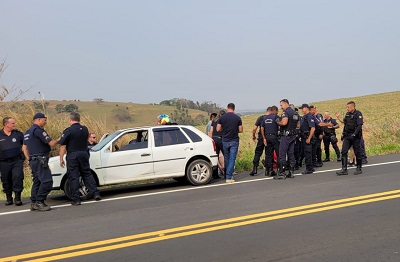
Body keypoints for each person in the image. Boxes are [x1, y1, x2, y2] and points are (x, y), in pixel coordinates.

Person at [59, 112, 101, 205]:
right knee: (87, 174)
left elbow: (62, 146)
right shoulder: (85, 129)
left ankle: (76, 199)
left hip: (73, 155)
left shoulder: (68, 131)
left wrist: (61, 158)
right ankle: (95, 193)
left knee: (73, 176)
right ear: (79, 119)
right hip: (84, 154)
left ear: (70, 120)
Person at [23, 113, 59, 211]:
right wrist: (62, 138)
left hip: (33, 160)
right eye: (44, 120)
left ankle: (34, 202)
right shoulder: (38, 131)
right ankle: (40, 201)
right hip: (40, 159)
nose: (46, 122)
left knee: (37, 181)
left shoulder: (27, 132)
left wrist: (29, 159)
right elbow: (51, 143)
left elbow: (24, 148)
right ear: (38, 119)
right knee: (47, 181)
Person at [0, 117, 26, 206]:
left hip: (17, 161)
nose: (14, 125)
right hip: (3, 162)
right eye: (12, 123)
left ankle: (17, 198)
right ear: (6, 124)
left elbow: (26, 145)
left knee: (17, 177)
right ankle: (9, 198)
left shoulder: (18, 134)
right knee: (6, 180)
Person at [217, 103, 243, 183]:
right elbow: (241, 130)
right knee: (232, 158)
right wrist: (234, 130)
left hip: (225, 140)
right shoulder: (237, 118)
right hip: (234, 140)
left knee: (227, 158)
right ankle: (229, 176)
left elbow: (218, 129)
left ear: (227, 108)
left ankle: (226, 175)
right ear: (234, 109)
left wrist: (224, 130)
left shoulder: (222, 118)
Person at [336, 101, 364, 175]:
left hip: (355, 137)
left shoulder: (358, 114)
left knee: (357, 152)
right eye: (346, 107)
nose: (347, 108)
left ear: (353, 107)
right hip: (347, 136)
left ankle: (359, 168)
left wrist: (354, 134)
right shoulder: (347, 114)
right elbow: (344, 123)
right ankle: (344, 169)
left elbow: (359, 126)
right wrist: (338, 117)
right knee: (344, 151)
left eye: (348, 107)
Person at [275, 99, 299, 179]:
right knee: (291, 153)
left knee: (282, 153)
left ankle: (282, 172)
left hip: (286, 136)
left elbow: (284, 123)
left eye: (281, 105)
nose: (281, 107)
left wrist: (278, 121)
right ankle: (291, 172)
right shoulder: (295, 113)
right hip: (293, 135)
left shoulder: (286, 113)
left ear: (286, 104)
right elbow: (298, 125)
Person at [261, 106, 280, 176]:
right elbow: (280, 125)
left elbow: (262, 128)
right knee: (279, 153)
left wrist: (264, 138)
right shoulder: (276, 117)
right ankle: (279, 169)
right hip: (275, 137)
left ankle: (268, 170)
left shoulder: (265, 118)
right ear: (275, 110)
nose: (277, 113)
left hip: (267, 137)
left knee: (268, 154)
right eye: (277, 111)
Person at [249, 109, 268, 176]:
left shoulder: (260, 118)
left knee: (258, 153)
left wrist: (253, 136)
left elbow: (254, 128)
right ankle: (268, 169)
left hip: (260, 138)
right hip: (269, 137)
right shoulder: (273, 117)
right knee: (268, 153)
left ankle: (255, 168)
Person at [299, 104, 316, 174]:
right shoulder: (304, 117)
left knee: (308, 153)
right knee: (306, 153)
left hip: (307, 137)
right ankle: (310, 167)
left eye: (302, 108)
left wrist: (309, 138)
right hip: (303, 137)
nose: (302, 110)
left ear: (306, 108)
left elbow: (313, 128)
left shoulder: (309, 116)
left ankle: (309, 168)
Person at [208, 110, 226, 178]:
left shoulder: (214, 122)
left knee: (216, 157)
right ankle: (226, 173)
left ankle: (215, 174)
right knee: (226, 155)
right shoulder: (223, 121)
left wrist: (210, 141)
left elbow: (211, 131)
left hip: (214, 139)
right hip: (221, 139)